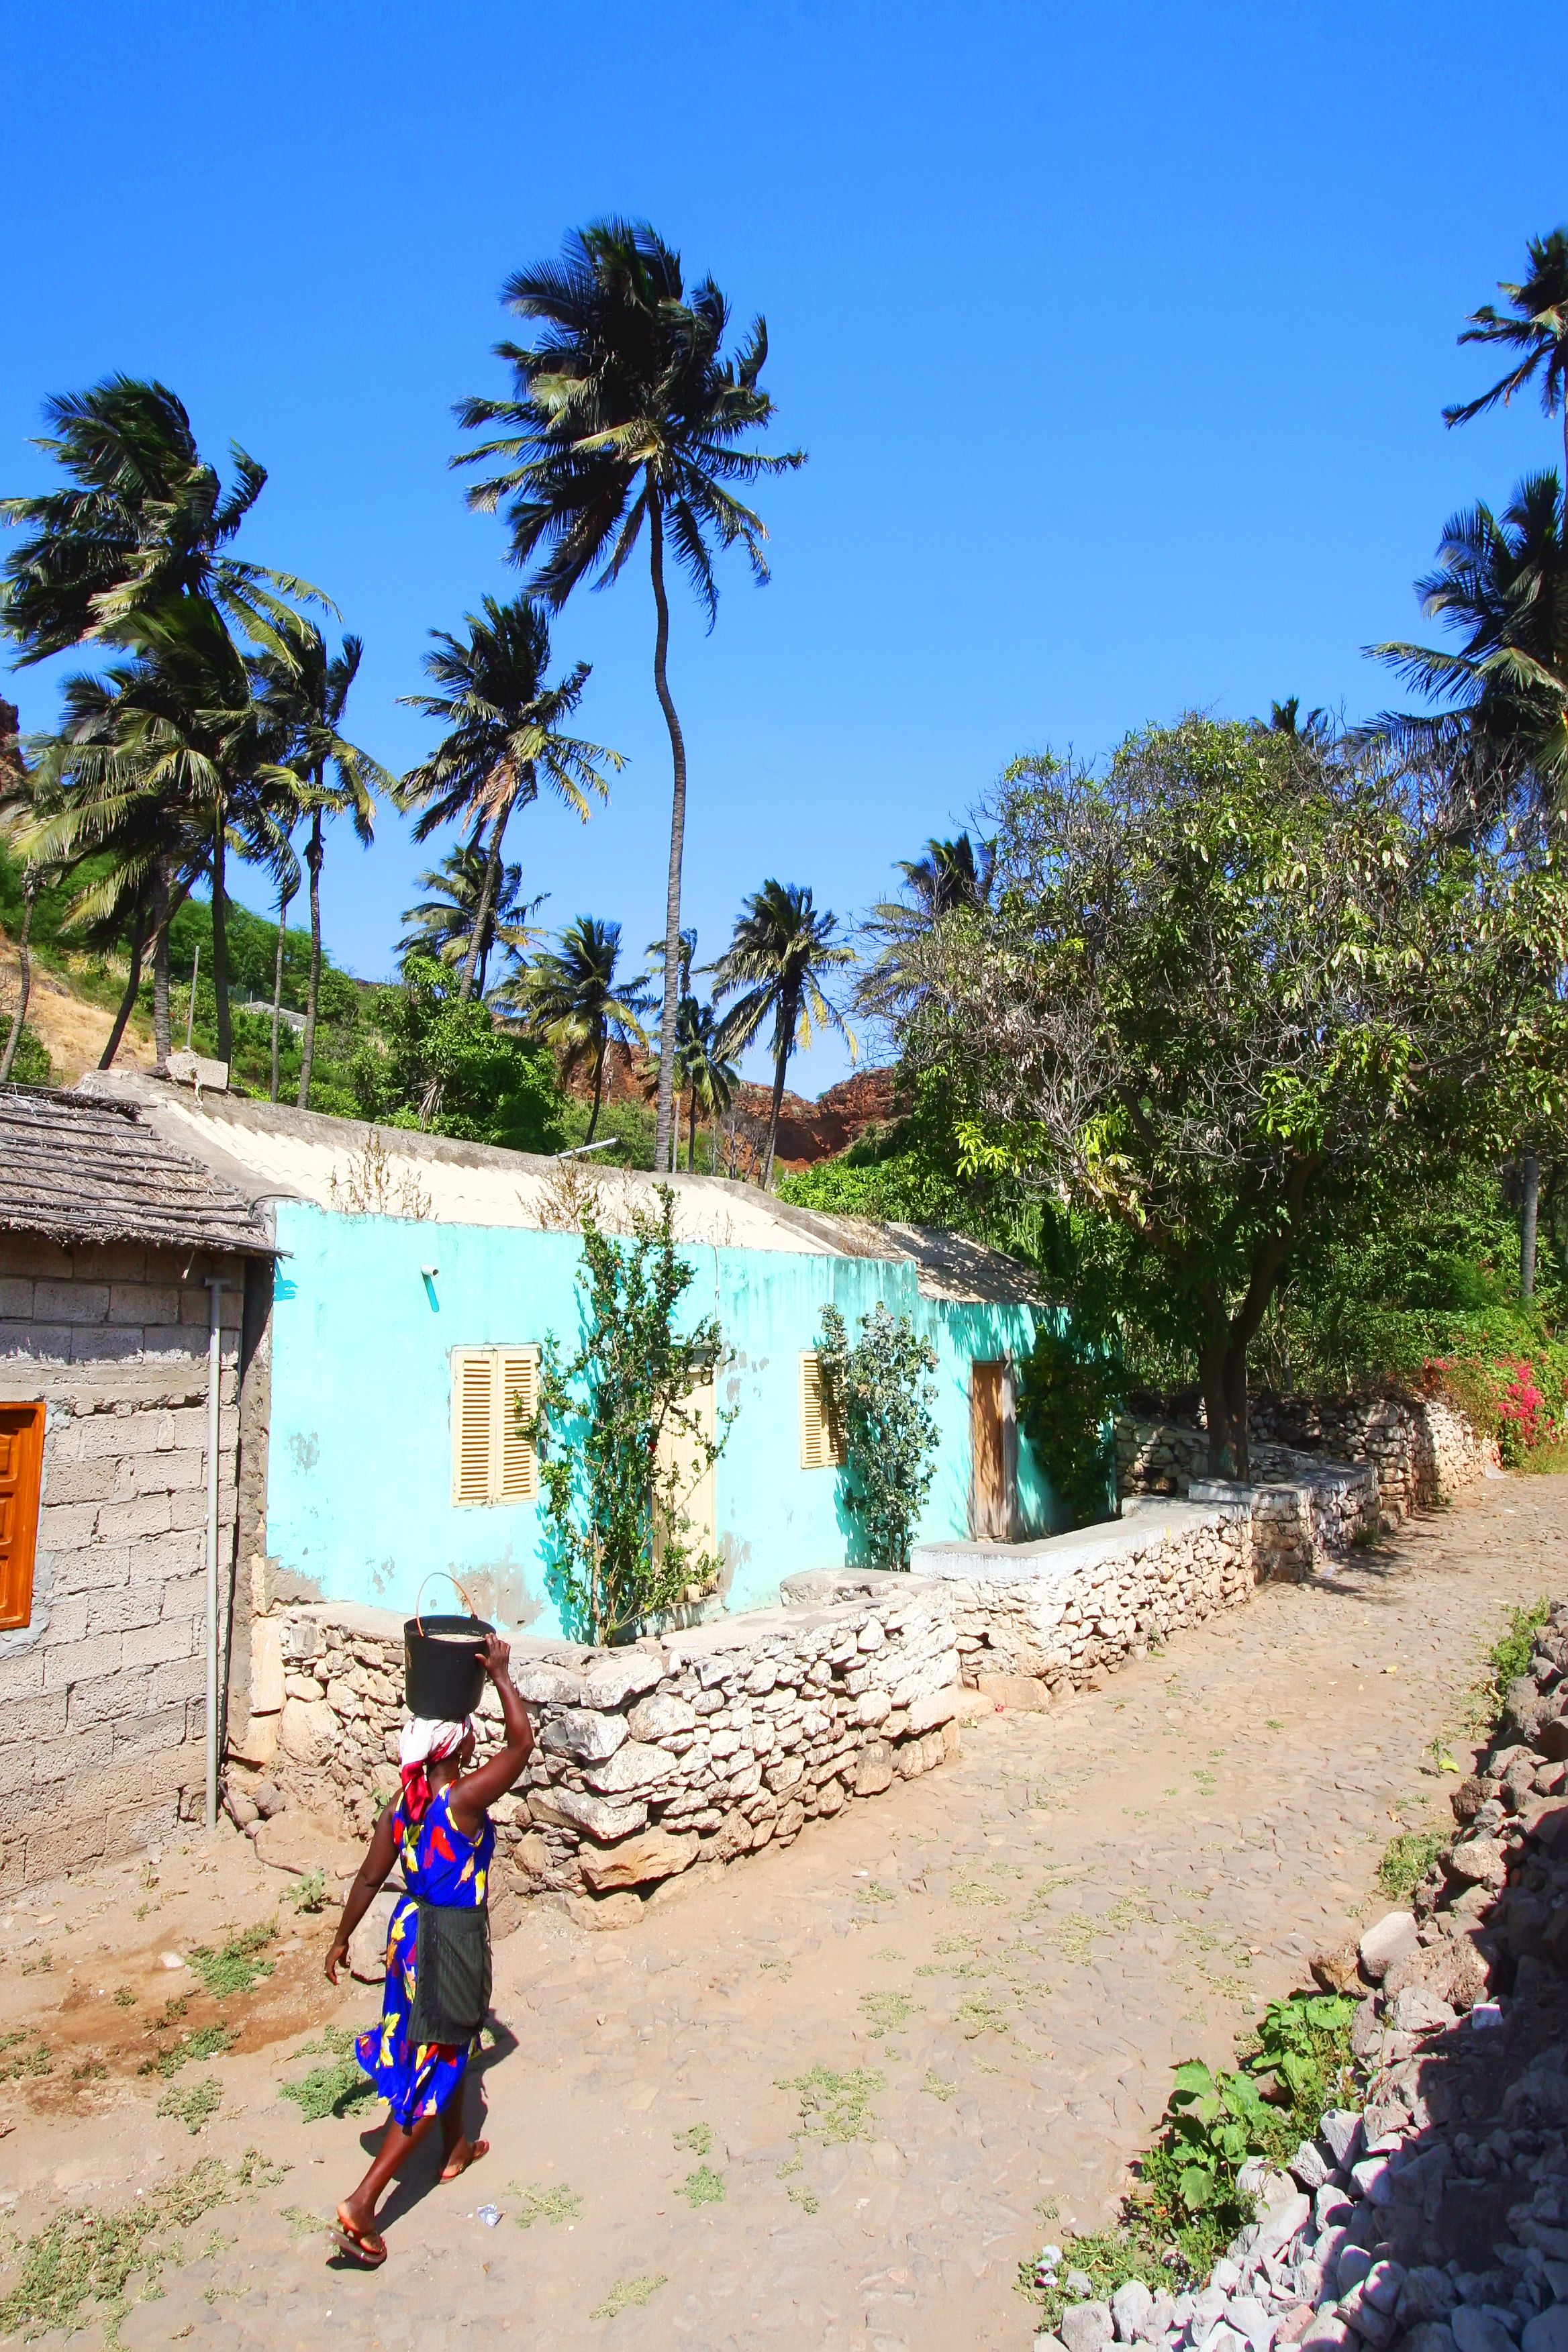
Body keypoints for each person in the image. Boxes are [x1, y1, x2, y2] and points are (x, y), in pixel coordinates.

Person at [325, 1632, 533, 2267]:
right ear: (453, 1746)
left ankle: (454, 2149)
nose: (476, 1739)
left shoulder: (405, 1803)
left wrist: (339, 1937)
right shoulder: (462, 1801)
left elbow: (367, 1877)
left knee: (448, 2036)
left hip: (409, 1936)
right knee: (438, 2060)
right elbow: (522, 1745)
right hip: (449, 1940)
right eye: (468, 1732)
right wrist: (499, 1674)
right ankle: (364, 2204)